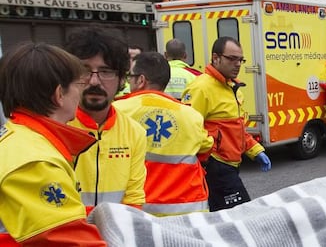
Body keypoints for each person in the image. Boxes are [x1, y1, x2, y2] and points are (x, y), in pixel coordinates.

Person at [0, 42, 106, 245]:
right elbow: (65, 239)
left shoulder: (20, 140)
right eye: (78, 85)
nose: (80, 93)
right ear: (59, 95)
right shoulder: (35, 162)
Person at [113, 52, 213, 216]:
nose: (129, 81)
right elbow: (205, 149)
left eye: (131, 76)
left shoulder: (118, 111)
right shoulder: (191, 116)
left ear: (141, 80)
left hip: (136, 211)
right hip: (187, 211)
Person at [181, 36, 272, 212]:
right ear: (216, 58)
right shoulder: (201, 88)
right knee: (242, 214)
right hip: (216, 167)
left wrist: (255, 150)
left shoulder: (232, 87)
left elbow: (237, 130)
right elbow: (188, 129)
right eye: (232, 59)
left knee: (223, 216)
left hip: (230, 164)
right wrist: (210, 152)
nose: (238, 64)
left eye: (240, 60)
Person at [65, 26, 147, 213]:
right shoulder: (56, 128)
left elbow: (134, 199)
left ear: (122, 79)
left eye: (106, 71)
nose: (94, 81)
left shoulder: (134, 133)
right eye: (85, 70)